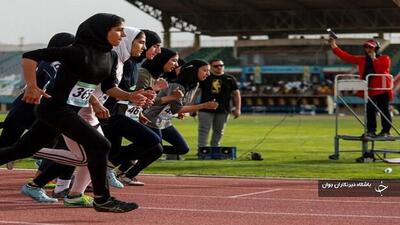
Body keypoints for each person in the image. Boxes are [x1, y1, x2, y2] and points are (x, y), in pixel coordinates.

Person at [0, 13, 138, 213]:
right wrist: (31, 86)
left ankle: (101, 199)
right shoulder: (77, 52)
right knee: (100, 144)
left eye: (123, 30)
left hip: (68, 110)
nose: (123, 35)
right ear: (101, 30)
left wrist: (131, 96)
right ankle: (102, 199)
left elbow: (109, 87)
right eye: (118, 29)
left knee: (21, 150)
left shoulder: (111, 55)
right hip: (55, 109)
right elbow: (29, 57)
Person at [119, 59, 218, 183]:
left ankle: (134, 152)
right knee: (156, 150)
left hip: (165, 122)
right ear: (193, 70)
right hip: (151, 119)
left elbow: (176, 108)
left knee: (182, 148)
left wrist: (177, 114)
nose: (208, 73)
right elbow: (177, 107)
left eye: (208, 71)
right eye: (205, 70)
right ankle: (128, 175)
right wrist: (203, 106)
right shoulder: (177, 85)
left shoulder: (194, 85)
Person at [329, 38, 393, 138]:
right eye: (366, 47)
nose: (368, 49)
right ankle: (371, 131)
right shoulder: (361, 59)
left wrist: (374, 58)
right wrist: (333, 45)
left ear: (376, 48)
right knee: (370, 111)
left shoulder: (385, 58)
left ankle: (386, 131)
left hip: (382, 89)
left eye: (371, 47)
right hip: (369, 90)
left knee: (384, 110)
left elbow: (381, 68)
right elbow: (346, 57)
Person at [195, 59, 241, 149]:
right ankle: (202, 150)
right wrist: (191, 106)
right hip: (205, 109)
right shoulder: (205, 77)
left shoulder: (230, 78)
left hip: (223, 109)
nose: (219, 67)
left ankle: (215, 150)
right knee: (203, 130)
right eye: (216, 66)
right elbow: (196, 92)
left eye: (221, 65)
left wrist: (238, 109)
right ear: (211, 67)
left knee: (219, 131)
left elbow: (236, 94)